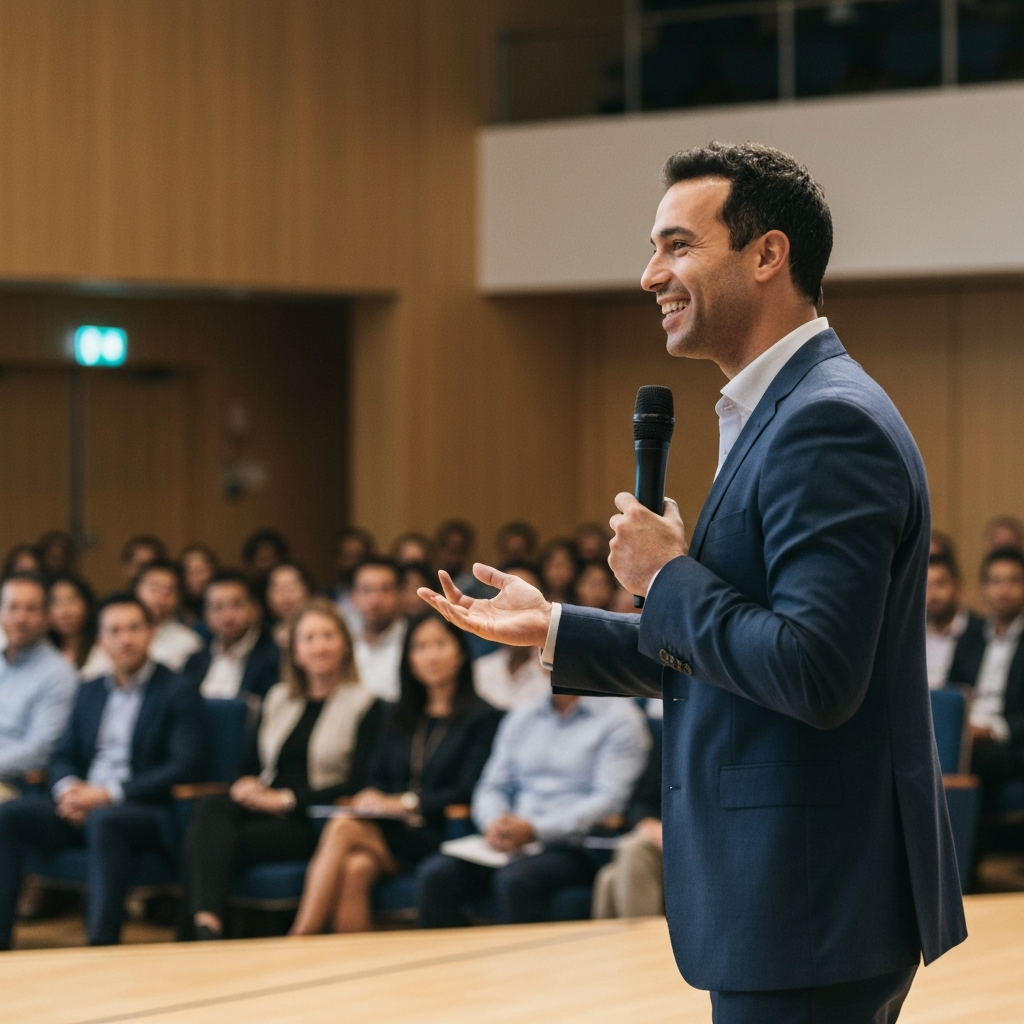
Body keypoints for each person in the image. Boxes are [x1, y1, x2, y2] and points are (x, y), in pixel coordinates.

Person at [419, 142, 965, 1020]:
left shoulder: (825, 422)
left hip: (809, 890)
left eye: (677, 246)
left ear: (767, 255)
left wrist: (667, 572)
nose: (649, 276)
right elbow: (731, 649)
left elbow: (813, 672)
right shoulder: (786, 412)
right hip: (799, 892)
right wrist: (558, 627)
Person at [0, 593, 204, 947]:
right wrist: (68, 790)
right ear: (101, 641)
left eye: (134, 628)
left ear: (151, 633)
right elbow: (63, 754)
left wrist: (107, 796)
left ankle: (101, 943)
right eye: (115, 630)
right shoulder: (90, 690)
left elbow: (183, 766)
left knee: (104, 820)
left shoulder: (178, 690)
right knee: (9, 815)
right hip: (84, 803)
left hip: (144, 811)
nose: (125, 638)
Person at [181, 598, 384, 940]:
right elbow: (247, 765)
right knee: (209, 808)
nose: (319, 646)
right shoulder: (278, 698)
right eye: (309, 638)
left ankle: (201, 931)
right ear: (295, 650)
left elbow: (357, 781)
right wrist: (245, 784)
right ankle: (209, 925)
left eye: (328, 636)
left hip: (312, 818)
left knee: (207, 844)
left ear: (345, 645)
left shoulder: (365, 703)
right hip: (264, 807)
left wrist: (286, 801)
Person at [289, 612, 502, 935]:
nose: (430, 656)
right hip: (392, 831)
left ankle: (299, 938)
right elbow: (374, 774)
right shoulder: (399, 715)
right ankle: (358, 975)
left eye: (439, 645)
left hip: (444, 833)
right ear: (408, 659)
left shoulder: (483, 717)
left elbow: (467, 788)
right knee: (355, 868)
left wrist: (406, 803)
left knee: (344, 825)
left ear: (460, 652)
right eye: (419, 647)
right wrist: (373, 795)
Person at [416, 691, 648, 928]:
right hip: (511, 837)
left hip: (575, 844)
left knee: (516, 880)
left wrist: (535, 830)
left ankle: (529, 965)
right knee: (436, 874)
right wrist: (494, 822)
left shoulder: (619, 718)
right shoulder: (524, 713)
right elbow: (492, 785)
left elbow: (609, 800)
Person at [947, 547, 1024, 794]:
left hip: (1010, 744)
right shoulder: (970, 637)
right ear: (983, 589)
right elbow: (952, 690)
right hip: (967, 733)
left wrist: (991, 731)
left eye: (1014, 581)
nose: (1003, 590)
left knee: (966, 756)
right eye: (995, 581)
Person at [0, 574, 78, 799]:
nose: (20, 618)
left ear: (46, 616)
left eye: (30, 609)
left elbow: (40, 750)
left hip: (16, 784)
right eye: (12, 607)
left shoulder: (58, 674)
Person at [592, 728, 663, 919]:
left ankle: (643, 947)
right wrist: (649, 824)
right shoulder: (670, 735)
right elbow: (641, 802)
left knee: (632, 849)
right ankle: (614, 949)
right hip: (661, 837)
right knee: (608, 879)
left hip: (703, 836)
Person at [180, 571, 279, 701]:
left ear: (255, 609)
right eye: (217, 607)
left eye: (237, 605)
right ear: (205, 615)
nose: (227, 616)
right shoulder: (195, 661)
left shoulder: (274, 658)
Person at [472, 565, 551, 710]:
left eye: (524, 597)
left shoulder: (559, 675)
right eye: (506, 596)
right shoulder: (481, 669)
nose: (515, 606)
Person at [349, 558, 407, 702]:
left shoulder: (413, 641)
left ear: (400, 594)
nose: (375, 599)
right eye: (366, 590)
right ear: (353, 596)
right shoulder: (344, 643)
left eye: (385, 589)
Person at [926, 549, 983, 690]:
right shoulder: (910, 634)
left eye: (940, 584)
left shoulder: (982, 632)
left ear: (956, 586)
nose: (933, 595)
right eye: (926, 586)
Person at [46, 575, 97, 673]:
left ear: (87, 604)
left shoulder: (101, 647)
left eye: (72, 600)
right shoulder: (41, 651)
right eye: (57, 602)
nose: (65, 611)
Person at [331, 527, 376, 627]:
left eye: (358, 557)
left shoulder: (378, 598)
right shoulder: (326, 598)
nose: (353, 563)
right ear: (337, 559)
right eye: (347, 556)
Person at [265, 562, 314, 649]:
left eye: (292, 587)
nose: (285, 595)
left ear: (307, 589)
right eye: (277, 589)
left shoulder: (323, 628)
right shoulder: (262, 636)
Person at [178, 544, 218, 630]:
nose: (195, 577)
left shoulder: (222, 599)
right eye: (189, 571)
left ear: (213, 571)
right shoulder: (176, 607)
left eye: (200, 570)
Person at [434, 520, 475, 591]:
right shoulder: (425, 580)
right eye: (451, 550)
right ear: (439, 548)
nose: (452, 557)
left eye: (459, 550)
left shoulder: (472, 585)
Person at [539, 539, 580, 604]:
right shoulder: (535, 597)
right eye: (555, 565)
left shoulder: (580, 600)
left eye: (564, 565)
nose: (558, 572)